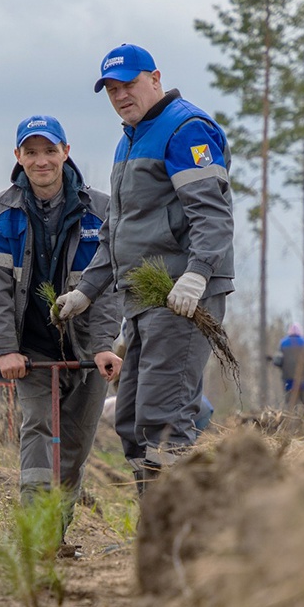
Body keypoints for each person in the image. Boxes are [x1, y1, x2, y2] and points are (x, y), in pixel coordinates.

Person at [54, 43, 235, 494]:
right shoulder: (128, 140)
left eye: (128, 85)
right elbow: (117, 227)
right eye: (112, 89)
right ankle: (156, 522)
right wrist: (88, 290)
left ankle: (179, 534)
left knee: (165, 417)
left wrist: (197, 274)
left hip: (181, 296)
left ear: (155, 78)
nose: (120, 96)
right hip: (142, 298)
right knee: (132, 417)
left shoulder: (185, 130)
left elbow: (213, 216)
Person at [0, 114, 122, 552]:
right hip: (31, 348)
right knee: (39, 429)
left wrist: (102, 346)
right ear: (18, 157)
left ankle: (54, 531)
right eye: (32, 152)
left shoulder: (100, 208)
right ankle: (34, 536)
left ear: (66, 152)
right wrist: (4, 348)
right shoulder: (0, 211)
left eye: (49, 150)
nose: (41, 161)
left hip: (87, 348)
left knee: (75, 445)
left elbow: (110, 284)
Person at [272, 322, 304, 409]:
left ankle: (291, 420)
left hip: (288, 380)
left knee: (290, 405)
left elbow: (278, 361)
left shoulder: (283, 343)